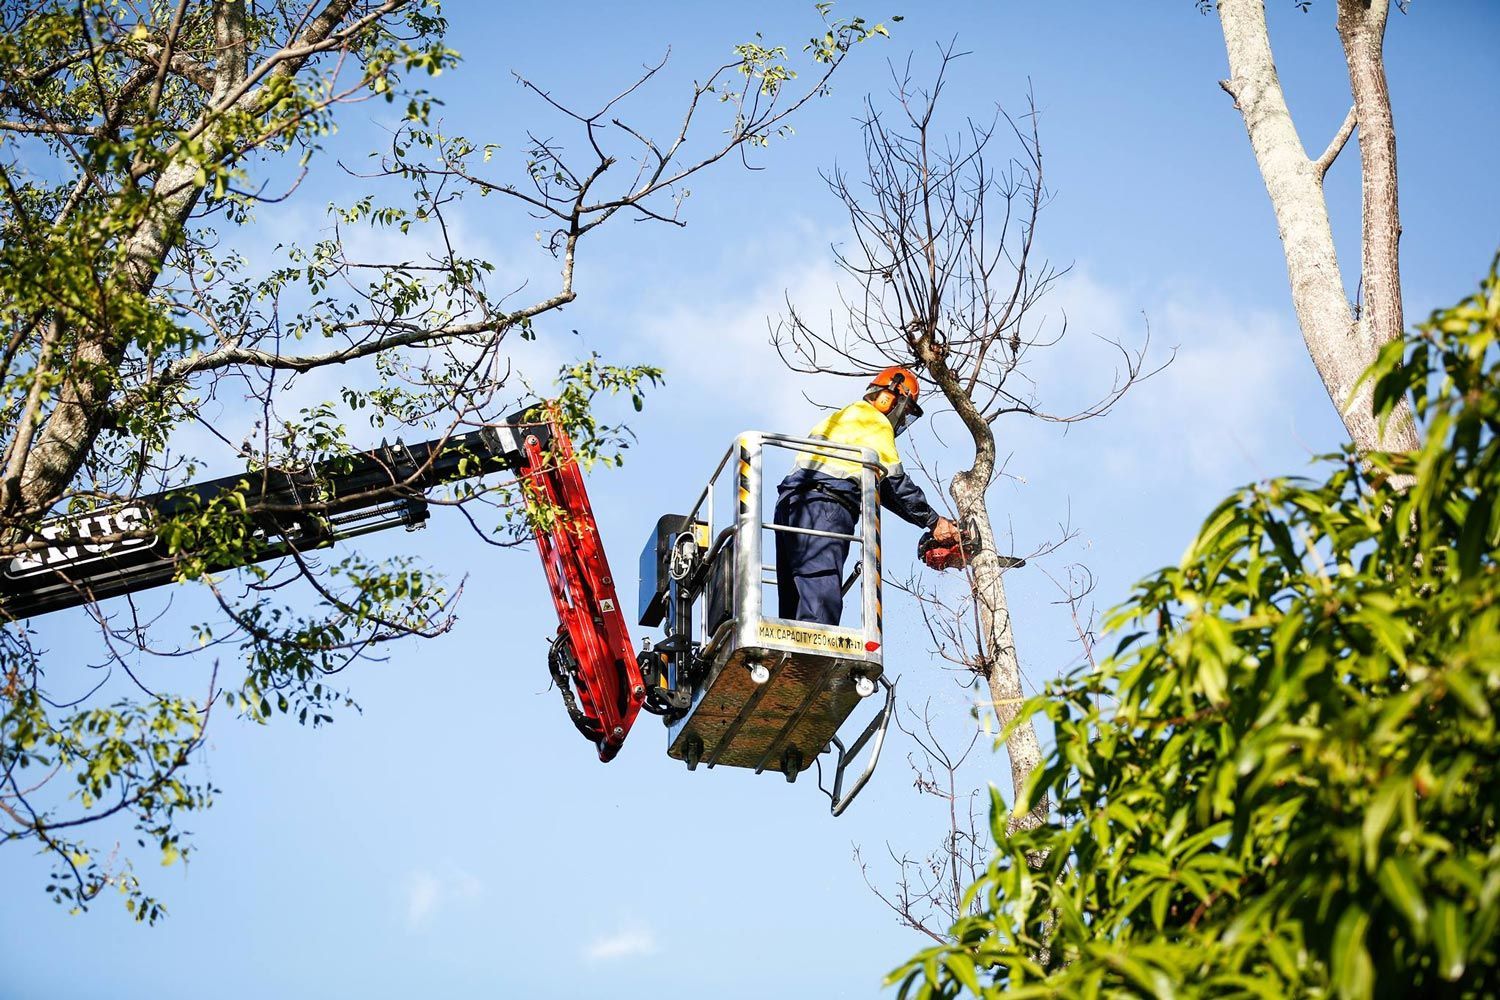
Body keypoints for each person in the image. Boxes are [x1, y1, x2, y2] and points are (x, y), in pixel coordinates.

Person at [773, 367, 960, 626]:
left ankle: (794, 658)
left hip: (790, 504)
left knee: (797, 591)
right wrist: (935, 522)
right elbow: (894, 483)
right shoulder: (873, 421)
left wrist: (927, 521)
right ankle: (816, 655)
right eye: (904, 411)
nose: (901, 419)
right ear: (891, 397)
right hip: (826, 505)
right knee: (821, 594)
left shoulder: (841, 418)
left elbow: (880, 486)